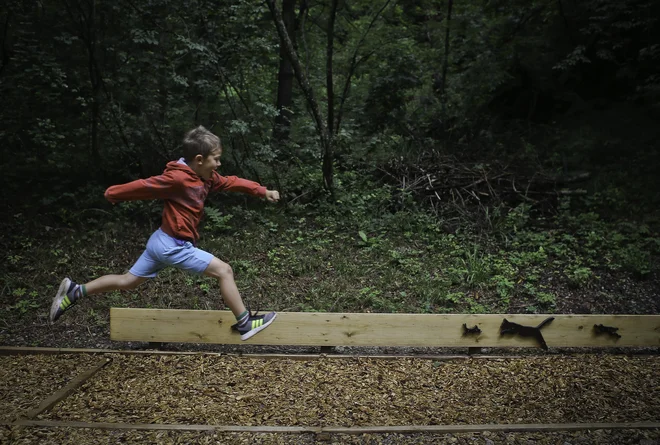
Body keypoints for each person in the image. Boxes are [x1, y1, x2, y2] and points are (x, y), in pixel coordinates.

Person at [49, 126, 279, 341]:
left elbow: (231, 182)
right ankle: (245, 323)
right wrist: (114, 193)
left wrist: (261, 191)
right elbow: (146, 186)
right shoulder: (178, 178)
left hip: (160, 240)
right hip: (172, 245)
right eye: (216, 159)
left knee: (127, 281)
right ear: (199, 160)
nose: (219, 164)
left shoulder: (205, 178)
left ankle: (75, 291)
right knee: (224, 271)